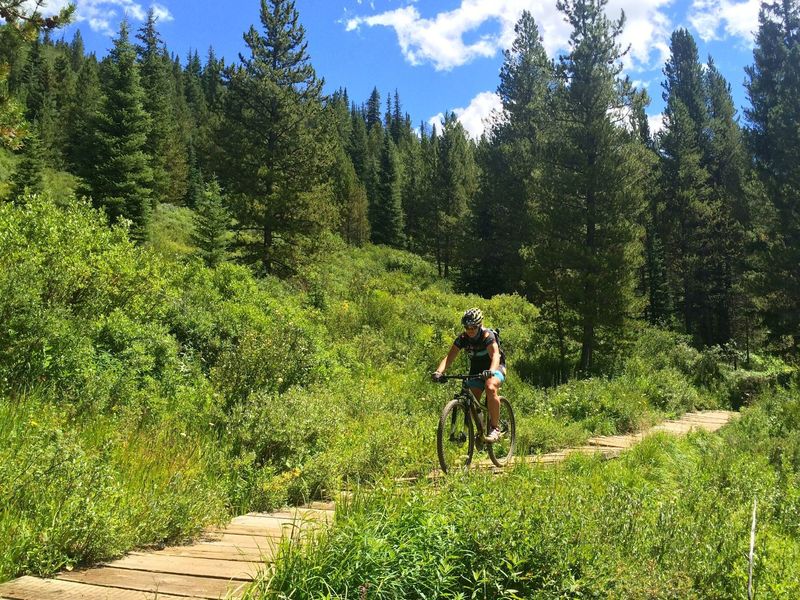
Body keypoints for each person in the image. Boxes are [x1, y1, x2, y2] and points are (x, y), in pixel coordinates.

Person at [432, 308, 506, 442]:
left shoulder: (487, 336)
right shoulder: (463, 338)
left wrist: (491, 371)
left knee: (490, 387)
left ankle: (495, 428)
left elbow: (495, 355)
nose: (470, 330)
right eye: (467, 327)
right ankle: (481, 428)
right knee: (472, 400)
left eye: (473, 327)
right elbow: (450, 357)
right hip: (477, 371)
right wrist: (439, 372)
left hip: (496, 367)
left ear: (480, 325)